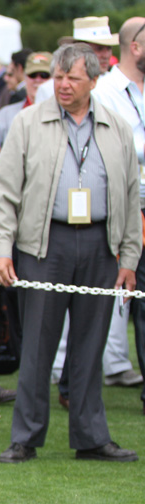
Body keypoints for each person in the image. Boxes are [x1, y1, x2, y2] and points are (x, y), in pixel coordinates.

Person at [0, 44, 141, 463]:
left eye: (72, 78)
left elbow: (129, 195)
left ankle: (91, 438)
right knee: (37, 342)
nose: (63, 85)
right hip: (43, 245)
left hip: (100, 245)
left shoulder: (117, 126)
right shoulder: (28, 122)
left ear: (94, 80)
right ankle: (25, 437)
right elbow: (2, 191)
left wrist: (129, 258)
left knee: (91, 344)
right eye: (58, 77)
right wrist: (1, 249)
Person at [95, 17, 145, 413]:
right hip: (126, 208)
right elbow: (118, 147)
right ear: (136, 47)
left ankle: (120, 364)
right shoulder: (108, 90)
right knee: (127, 297)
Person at [0, 51, 51, 145]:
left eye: (44, 75)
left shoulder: (64, 115)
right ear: (25, 77)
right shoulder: (4, 116)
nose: (38, 80)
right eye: (33, 75)